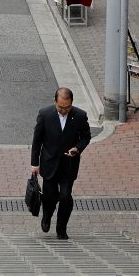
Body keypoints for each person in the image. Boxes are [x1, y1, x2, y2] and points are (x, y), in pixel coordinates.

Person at [30, 87, 91, 240]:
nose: (64, 110)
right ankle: (47, 216)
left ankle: (61, 228)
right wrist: (34, 163)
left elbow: (86, 137)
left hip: (68, 164)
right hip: (49, 163)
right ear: (55, 102)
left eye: (67, 107)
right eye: (61, 107)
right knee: (49, 197)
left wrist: (77, 149)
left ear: (72, 103)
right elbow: (37, 141)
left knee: (65, 197)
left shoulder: (80, 116)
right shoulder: (45, 114)